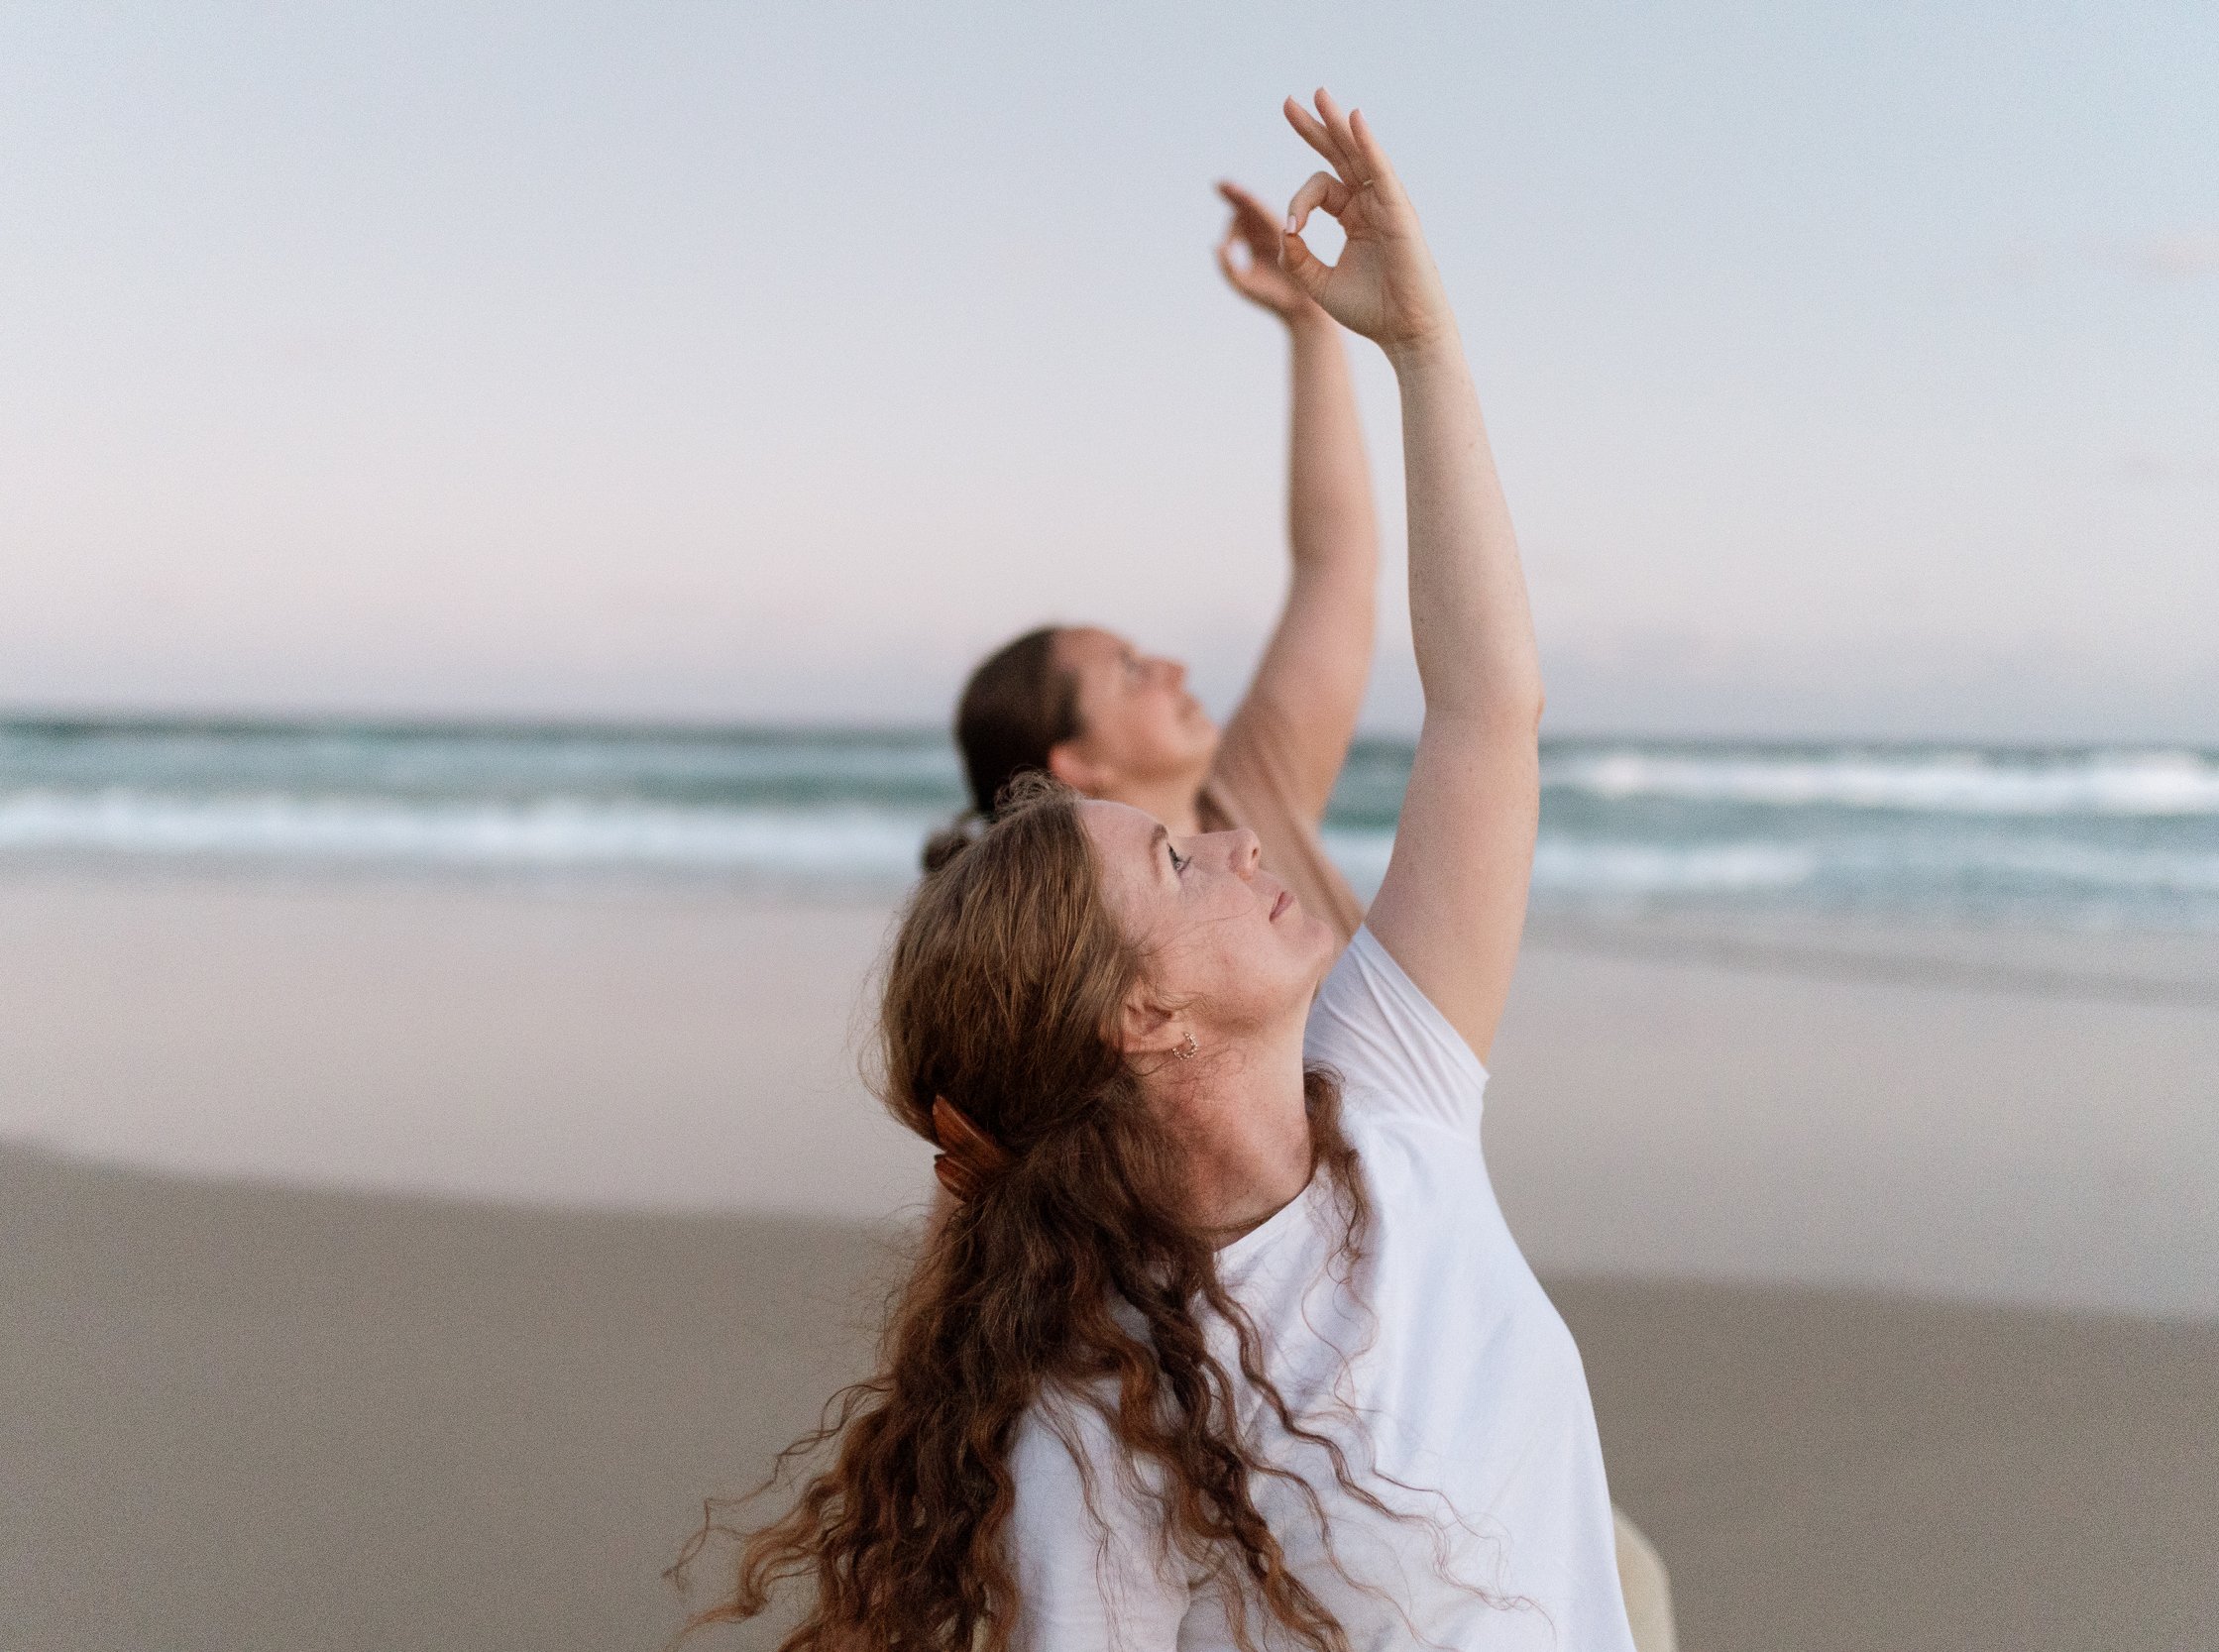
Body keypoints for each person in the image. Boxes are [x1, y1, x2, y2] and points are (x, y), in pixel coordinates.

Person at [688, 91, 1651, 1650]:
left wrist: (1420, 344)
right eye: (1178, 856)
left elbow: (1486, 709)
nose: (1242, 835)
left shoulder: (1392, 1096)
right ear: (1136, 1014)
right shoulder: (1094, 1433)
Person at [926, 170, 1380, 939]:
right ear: (1076, 763)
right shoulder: (1107, 955)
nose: (1173, 666)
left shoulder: (1247, 796)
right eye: (1129, 671)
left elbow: (1335, 562)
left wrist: (1311, 327)